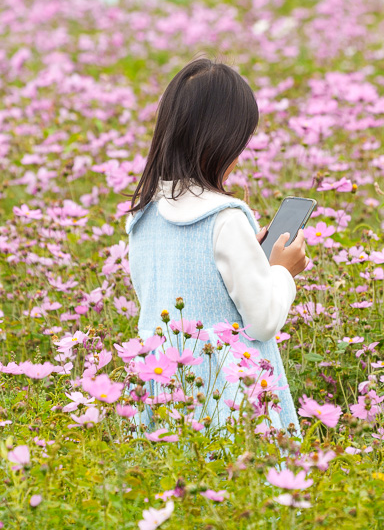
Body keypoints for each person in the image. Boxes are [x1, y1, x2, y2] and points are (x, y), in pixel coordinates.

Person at [124, 55, 309, 441]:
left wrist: (253, 261)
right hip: (225, 396)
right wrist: (280, 272)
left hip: (162, 389)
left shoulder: (143, 217)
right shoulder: (226, 219)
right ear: (223, 142)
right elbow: (261, 321)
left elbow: (170, 296)